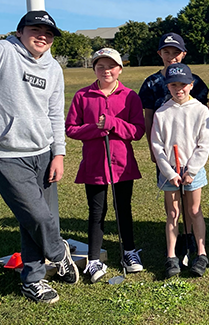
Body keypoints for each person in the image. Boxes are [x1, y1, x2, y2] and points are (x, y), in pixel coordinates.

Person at [0, 11, 78, 303]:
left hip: (42, 152)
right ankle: (59, 253)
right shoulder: (1, 51)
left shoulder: (54, 67)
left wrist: (59, 153)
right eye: (35, 29)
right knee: (38, 216)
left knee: (30, 221)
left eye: (49, 32)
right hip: (5, 153)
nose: (42, 35)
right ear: (20, 31)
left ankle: (32, 280)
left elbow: (56, 113)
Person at [65, 48, 146, 283]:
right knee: (96, 211)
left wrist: (114, 124)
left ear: (120, 69)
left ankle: (129, 252)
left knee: (124, 208)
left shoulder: (130, 96)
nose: (106, 70)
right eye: (100, 66)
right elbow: (71, 128)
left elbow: (137, 131)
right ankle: (93, 259)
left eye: (111, 66)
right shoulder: (82, 96)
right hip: (95, 163)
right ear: (94, 70)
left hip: (122, 163)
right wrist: (97, 128)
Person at [152, 63, 209, 277]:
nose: (179, 89)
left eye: (184, 85)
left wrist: (192, 170)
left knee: (194, 210)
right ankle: (171, 256)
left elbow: (204, 144)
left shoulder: (200, 110)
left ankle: (201, 253)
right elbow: (157, 147)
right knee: (173, 213)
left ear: (192, 85)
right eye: (174, 85)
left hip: (192, 170)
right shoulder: (161, 112)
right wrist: (170, 173)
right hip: (170, 171)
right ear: (167, 86)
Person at [138, 32, 209, 162]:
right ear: (160, 53)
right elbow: (148, 117)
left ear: (184, 54)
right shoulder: (151, 82)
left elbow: (204, 113)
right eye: (166, 52)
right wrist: (152, 149)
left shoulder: (194, 82)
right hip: (163, 143)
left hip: (190, 145)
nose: (171, 57)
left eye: (176, 52)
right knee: (167, 179)